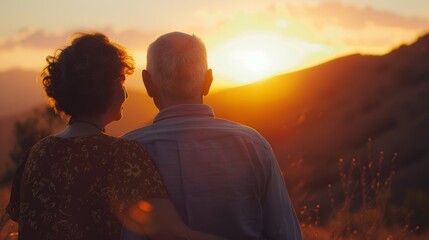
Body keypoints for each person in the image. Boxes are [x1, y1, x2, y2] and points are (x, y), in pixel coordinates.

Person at [6, 33, 223, 240]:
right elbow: (172, 235)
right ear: (105, 88)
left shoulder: (36, 154)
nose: (126, 93)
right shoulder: (122, 155)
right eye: (120, 82)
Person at [123, 32, 303, 239]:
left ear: (148, 83)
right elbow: (285, 234)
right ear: (208, 80)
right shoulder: (253, 145)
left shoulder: (125, 151)